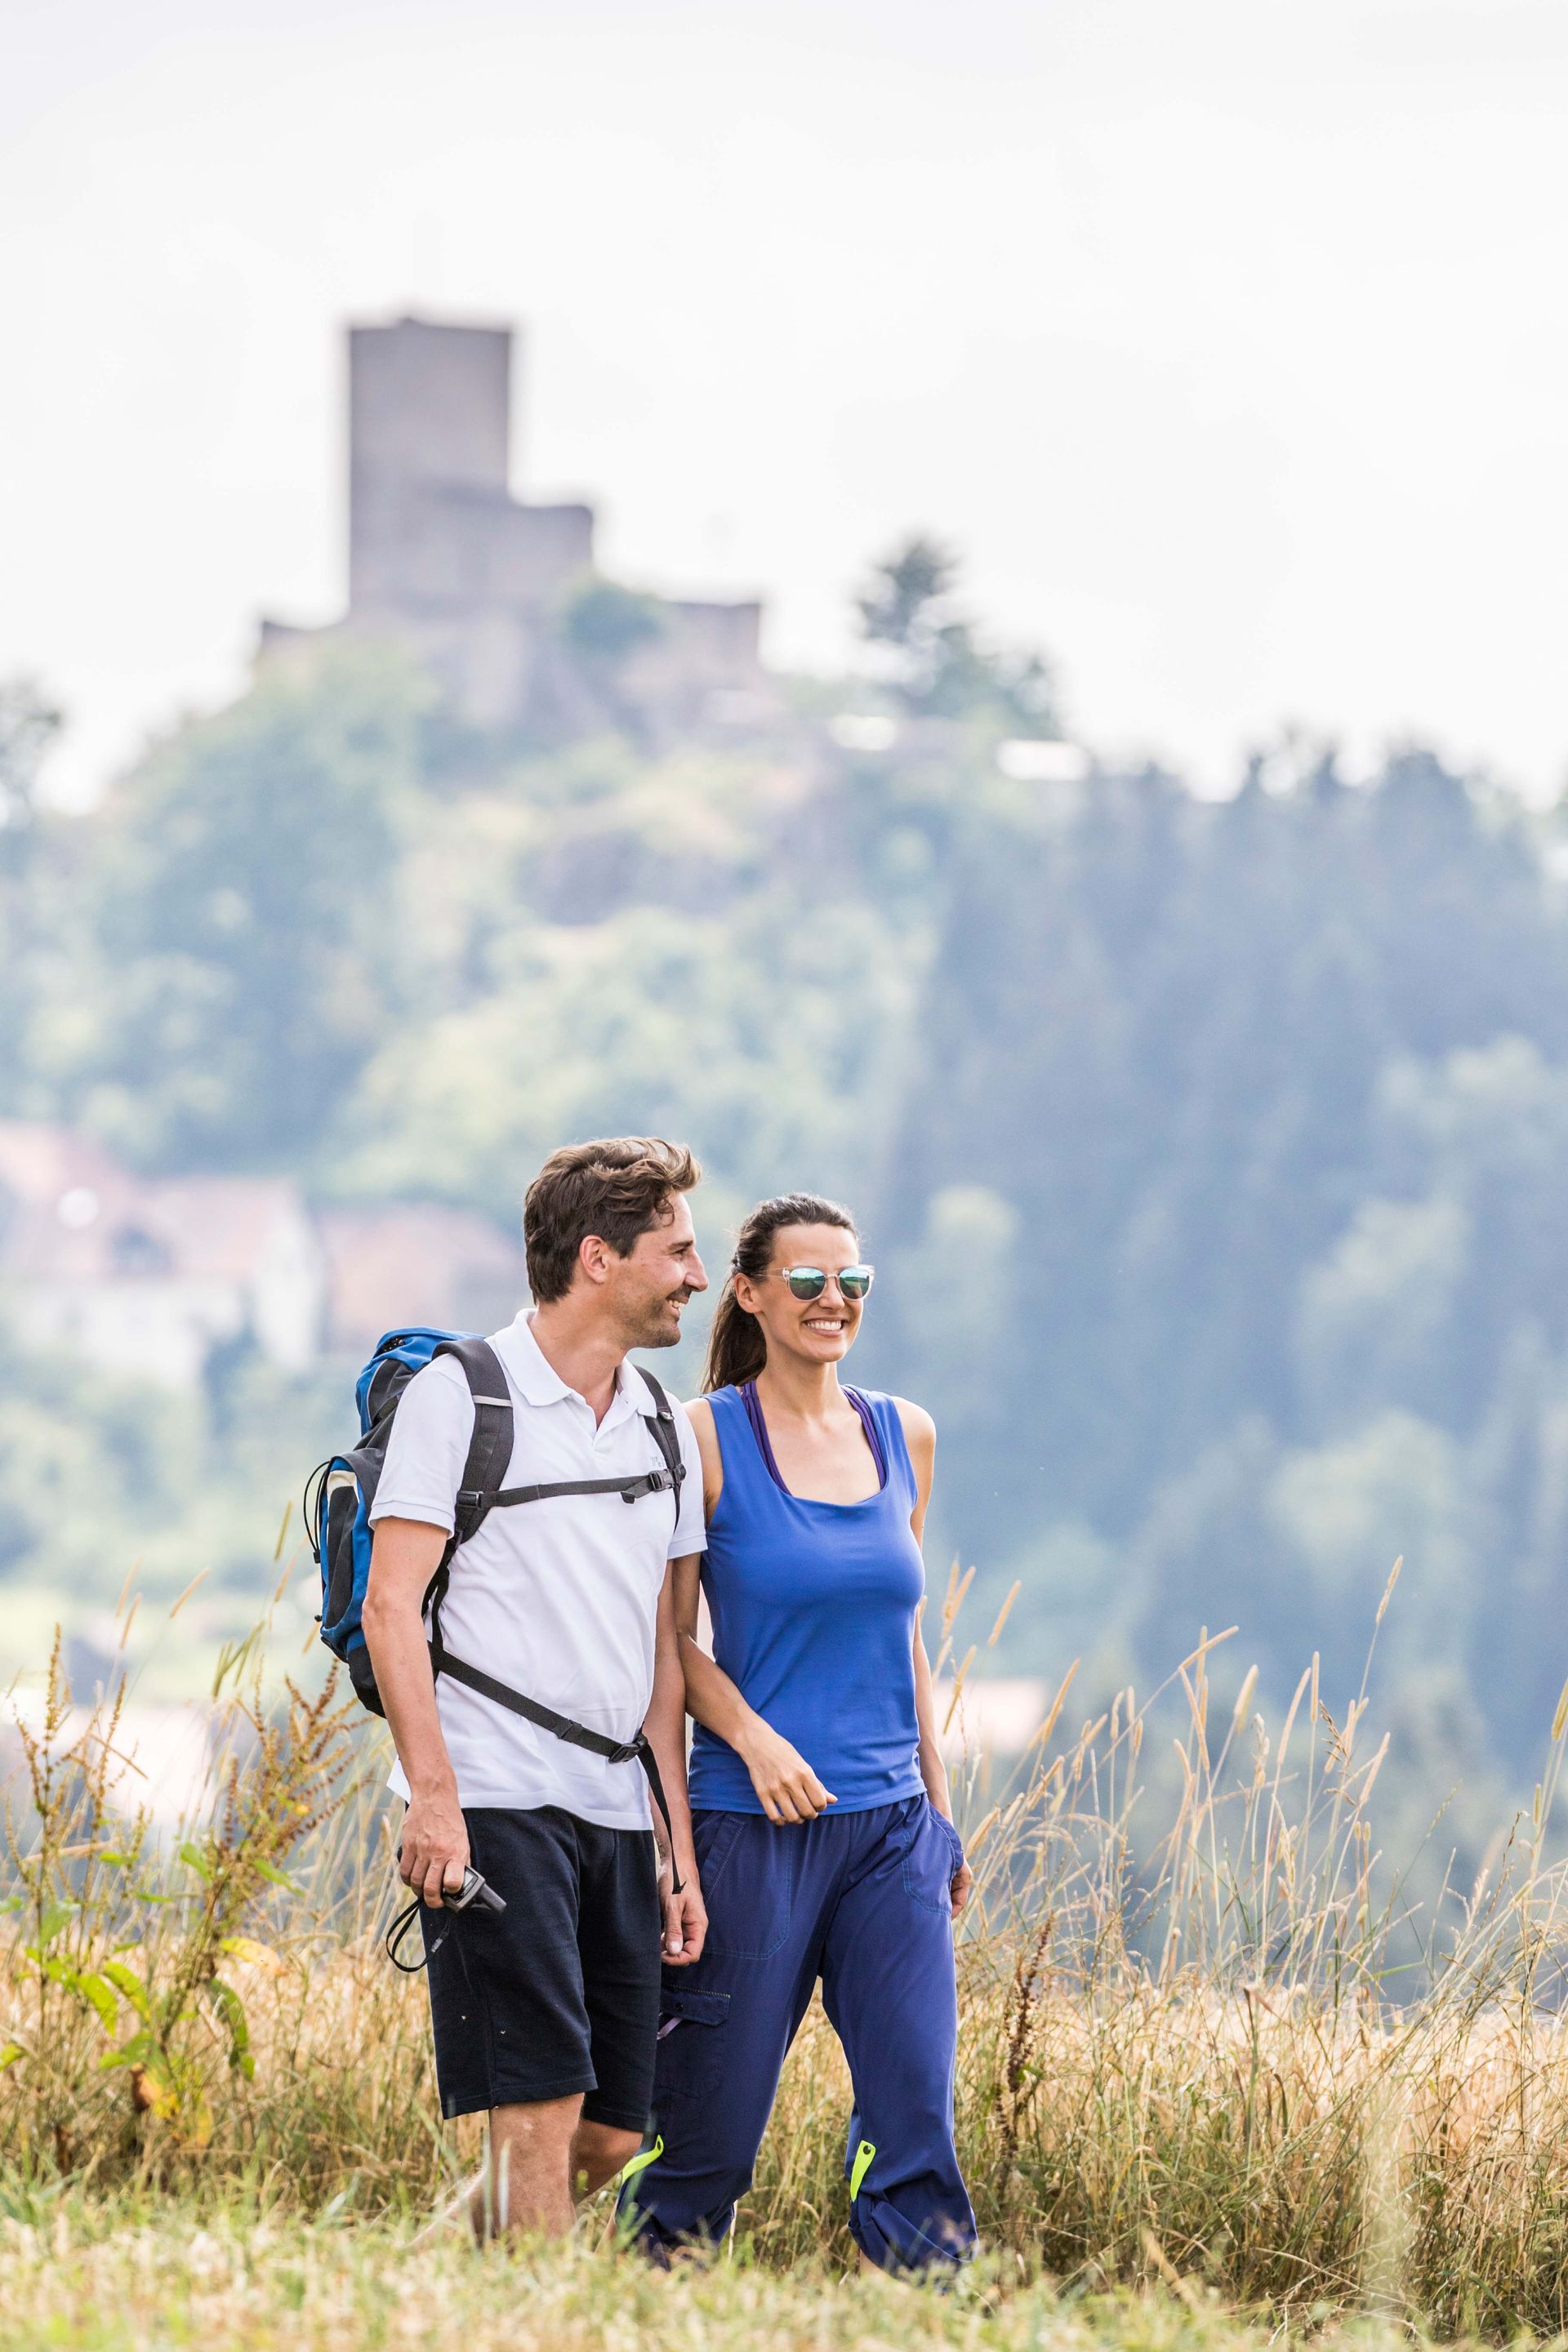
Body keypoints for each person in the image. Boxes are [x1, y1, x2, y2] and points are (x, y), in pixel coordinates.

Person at [621, 1192, 977, 2274]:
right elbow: (664, 1642)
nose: (834, 1302)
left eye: (852, 1283)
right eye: (809, 1282)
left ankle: (927, 2317)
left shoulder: (902, 1431)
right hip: (750, 1830)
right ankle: (650, 2312)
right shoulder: (701, 1438)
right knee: (706, 2138)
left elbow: (906, 1639)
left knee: (914, 2118)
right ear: (751, 1292)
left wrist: (940, 1817)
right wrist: (751, 1745)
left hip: (890, 1835)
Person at [362, 1137, 710, 2238]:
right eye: (678, 1252)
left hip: (615, 1812)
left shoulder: (663, 1422)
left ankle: (409, 2281)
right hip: (497, 1800)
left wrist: (672, 1844)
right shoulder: (462, 1396)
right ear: (600, 1259)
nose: (695, 1278)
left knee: (610, 2129)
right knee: (538, 2116)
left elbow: (665, 1650)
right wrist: (433, 1795)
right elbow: (390, 1608)